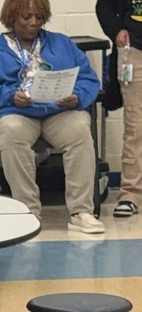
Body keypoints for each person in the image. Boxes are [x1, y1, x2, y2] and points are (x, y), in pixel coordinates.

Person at [0, 0, 104, 234]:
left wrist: (77, 97)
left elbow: (89, 80)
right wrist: (10, 95)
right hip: (14, 112)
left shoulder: (61, 43)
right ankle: (28, 210)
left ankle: (81, 212)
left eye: (39, 18)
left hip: (57, 111)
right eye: (26, 17)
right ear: (11, 18)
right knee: (12, 132)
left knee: (80, 126)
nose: (34, 23)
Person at [96, 0, 141, 218]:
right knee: (136, 127)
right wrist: (116, 31)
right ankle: (130, 194)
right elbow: (103, 6)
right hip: (133, 51)